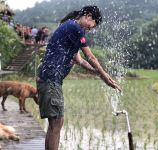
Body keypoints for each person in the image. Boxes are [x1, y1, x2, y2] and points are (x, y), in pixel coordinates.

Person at [36, 5, 121, 150]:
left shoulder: (69, 28)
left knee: (54, 124)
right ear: (88, 16)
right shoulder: (75, 27)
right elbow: (90, 57)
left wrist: (99, 74)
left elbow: (80, 60)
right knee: (57, 123)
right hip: (51, 79)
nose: (89, 29)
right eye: (91, 26)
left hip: (48, 78)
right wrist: (105, 77)